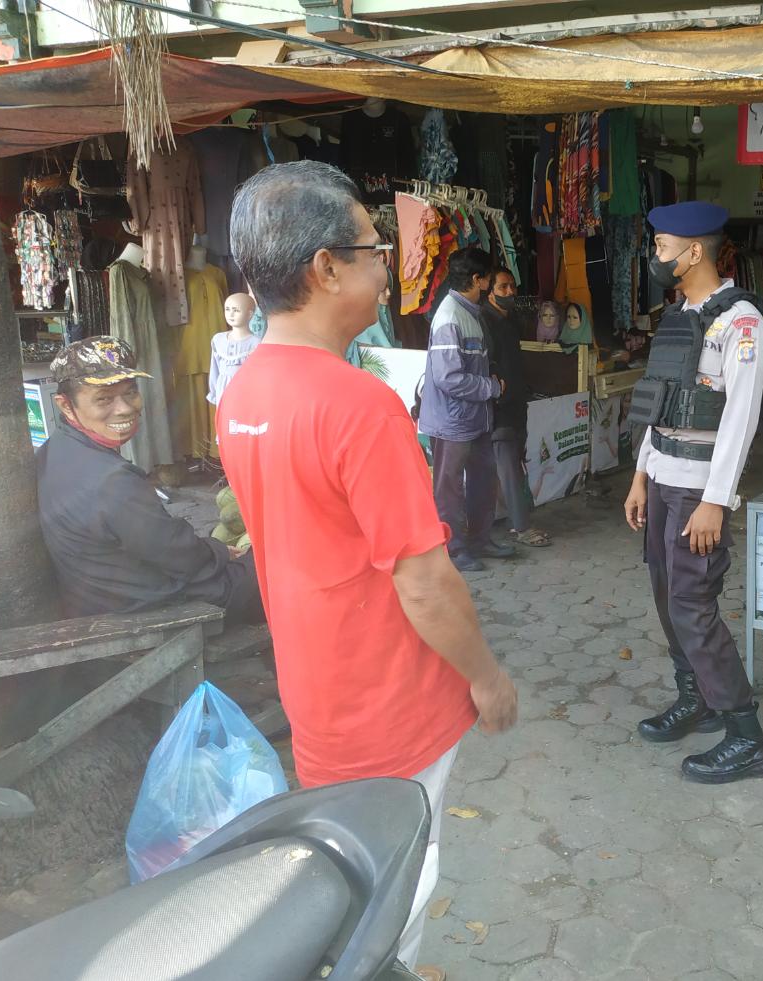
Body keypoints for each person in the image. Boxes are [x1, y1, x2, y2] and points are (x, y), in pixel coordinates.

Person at [217, 161, 518, 981]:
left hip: (316, 693)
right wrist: (486, 676)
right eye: (375, 249)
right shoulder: (358, 404)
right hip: (389, 701)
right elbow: (425, 580)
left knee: (351, 876)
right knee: (396, 895)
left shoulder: (241, 390)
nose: (389, 266)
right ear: (325, 268)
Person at [623, 201, 763, 784]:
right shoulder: (679, 316)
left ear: (694, 251)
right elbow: (657, 406)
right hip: (664, 478)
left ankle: (746, 734)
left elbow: (739, 422)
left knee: (692, 605)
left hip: (697, 492)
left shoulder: (742, 325)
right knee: (668, 598)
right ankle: (699, 698)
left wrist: (718, 499)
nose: (656, 257)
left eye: (662, 246)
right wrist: (641, 473)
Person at [36, 337, 263, 624]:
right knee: (276, 568)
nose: (124, 408)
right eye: (104, 399)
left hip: (110, 595)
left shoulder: (55, 449)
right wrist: (221, 552)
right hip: (148, 608)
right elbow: (182, 556)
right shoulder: (112, 481)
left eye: (130, 393)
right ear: (66, 406)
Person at [418, 247, 515, 573]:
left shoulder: (469, 310)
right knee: (449, 488)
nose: (490, 284)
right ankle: (455, 549)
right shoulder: (449, 317)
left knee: (482, 479)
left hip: (475, 418)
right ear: (477, 279)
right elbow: (449, 379)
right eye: (488, 277)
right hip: (452, 421)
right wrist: (491, 388)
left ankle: (480, 539)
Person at [481, 268, 552, 548]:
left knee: (512, 461)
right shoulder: (483, 320)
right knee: (508, 463)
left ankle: (504, 520)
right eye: (503, 287)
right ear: (489, 290)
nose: (511, 292)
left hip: (515, 403)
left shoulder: (510, 320)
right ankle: (521, 526)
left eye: (513, 286)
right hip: (497, 406)